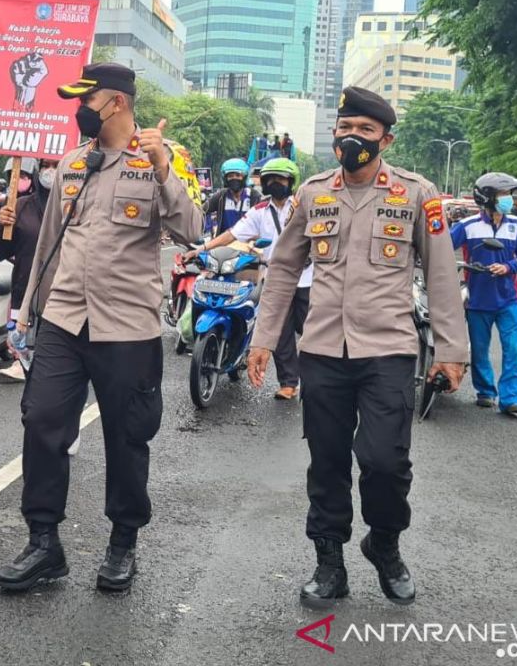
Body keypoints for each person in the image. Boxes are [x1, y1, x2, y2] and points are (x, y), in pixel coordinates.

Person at [247, 86, 467, 609]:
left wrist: (452, 351)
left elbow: (440, 274)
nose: (353, 138)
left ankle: (384, 543)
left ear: (386, 139)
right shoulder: (314, 193)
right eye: (345, 128)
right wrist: (264, 337)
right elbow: (283, 270)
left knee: (386, 461)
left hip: (388, 349)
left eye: (365, 131)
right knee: (326, 461)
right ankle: (329, 562)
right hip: (322, 349)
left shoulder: (417, 193)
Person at [0, 63, 202, 594]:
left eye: (87, 99)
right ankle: (44, 544)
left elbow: (193, 230)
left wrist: (161, 168)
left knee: (127, 436)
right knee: (41, 421)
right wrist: (24, 314)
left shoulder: (164, 158)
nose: (78, 109)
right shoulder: (72, 163)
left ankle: (122, 543)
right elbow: (48, 245)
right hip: (64, 317)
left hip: (127, 325)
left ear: (117, 103)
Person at [190, 158, 311, 400]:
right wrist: (201, 249)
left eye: (281, 179)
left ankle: (318, 378)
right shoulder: (258, 211)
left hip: (308, 278)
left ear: (291, 181)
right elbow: (231, 234)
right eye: (270, 179)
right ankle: (288, 383)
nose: (275, 183)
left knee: (311, 330)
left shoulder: (303, 206)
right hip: (275, 279)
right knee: (281, 332)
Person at [450, 172, 517, 415]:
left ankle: (510, 398)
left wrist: (508, 267)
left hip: (509, 300)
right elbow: (442, 248)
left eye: (508, 194)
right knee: (480, 349)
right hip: (477, 301)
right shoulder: (467, 226)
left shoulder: (515, 224)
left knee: (514, 349)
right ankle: (485, 392)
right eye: (503, 194)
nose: (508, 199)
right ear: (487, 198)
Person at [0, 158, 53, 381]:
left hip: (62, 293)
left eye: (56, 166)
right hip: (24, 288)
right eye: (46, 166)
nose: (50, 172)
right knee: (22, 343)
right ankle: (21, 361)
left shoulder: (75, 205)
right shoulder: (19, 206)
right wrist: (0, 226)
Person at [203, 158, 259, 236]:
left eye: (238, 175)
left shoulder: (254, 196)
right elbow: (202, 210)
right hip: (223, 244)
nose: (234, 178)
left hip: (248, 243)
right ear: (225, 179)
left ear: (244, 177)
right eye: (230, 176)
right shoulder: (221, 196)